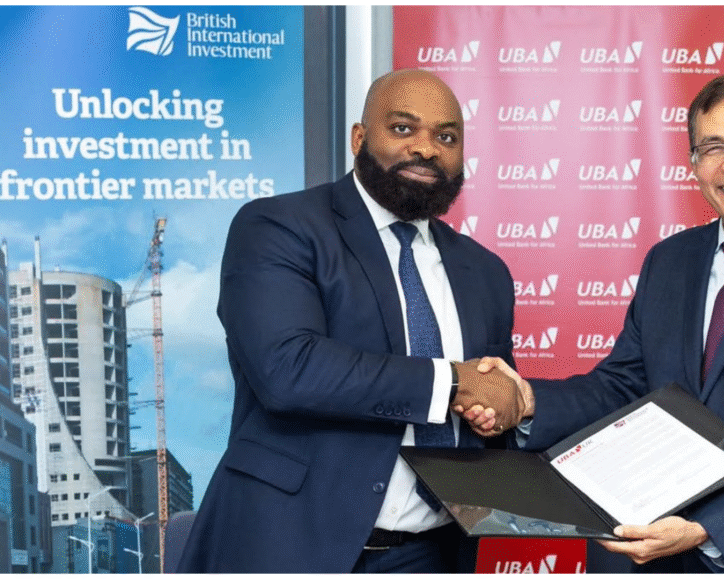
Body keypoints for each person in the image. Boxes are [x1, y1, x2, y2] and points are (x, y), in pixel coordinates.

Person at [464, 74, 724, 573]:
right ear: (694, 166)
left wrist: (709, 527)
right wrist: (527, 400)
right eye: (713, 147)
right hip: (663, 555)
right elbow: (622, 387)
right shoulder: (669, 261)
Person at [176, 69, 522, 573]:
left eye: (446, 137)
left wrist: (502, 407)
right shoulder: (278, 226)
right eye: (403, 128)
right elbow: (288, 369)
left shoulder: (485, 271)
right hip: (289, 546)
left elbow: (488, 398)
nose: (426, 149)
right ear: (359, 138)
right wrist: (451, 383)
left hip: (433, 555)